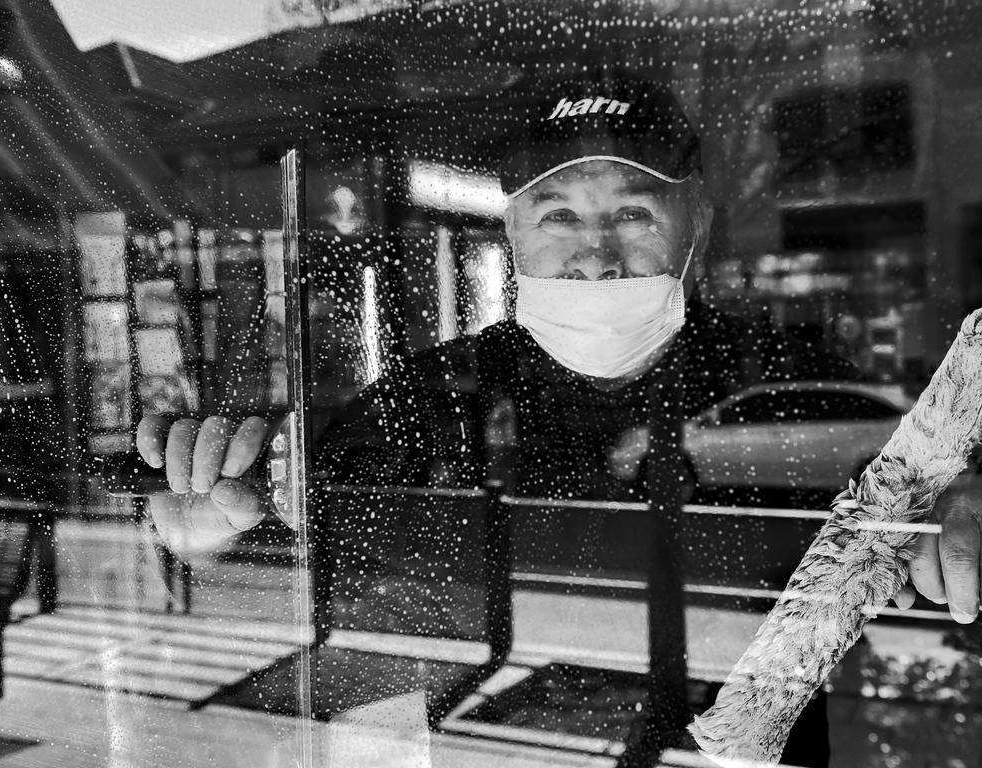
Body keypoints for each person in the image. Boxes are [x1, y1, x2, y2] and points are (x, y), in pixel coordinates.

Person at [135, 73, 982, 765]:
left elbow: (900, 519)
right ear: (514, 235)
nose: (595, 254)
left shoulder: (788, 375)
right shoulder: (436, 391)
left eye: (633, 213)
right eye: (560, 215)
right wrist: (215, 524)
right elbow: (319, 534)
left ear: (701, 226)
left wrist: (953, 527)